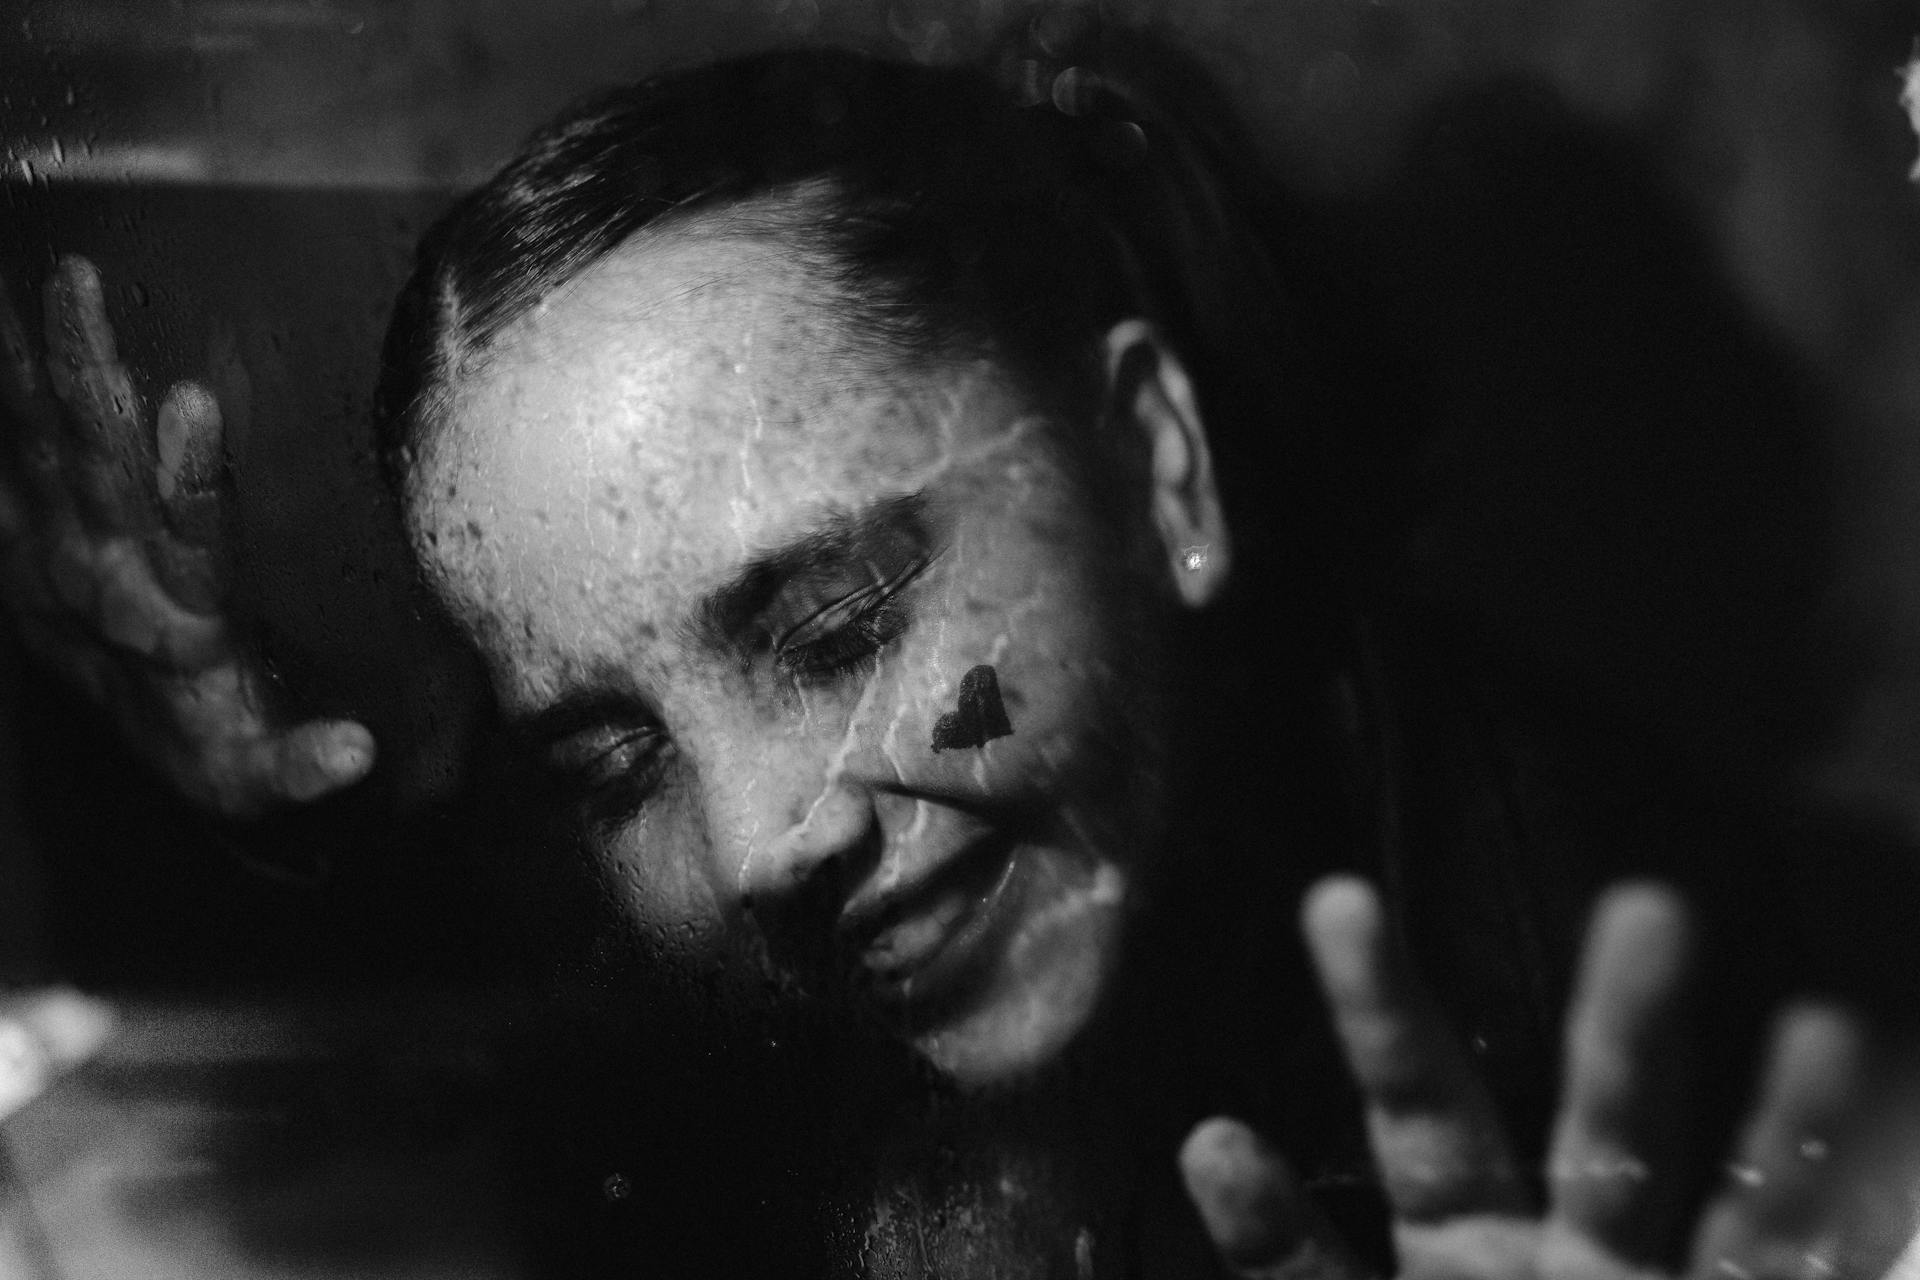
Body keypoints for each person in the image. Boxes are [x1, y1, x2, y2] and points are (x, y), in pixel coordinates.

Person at [0, 13, 1916, 1279]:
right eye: (614, 760)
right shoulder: (711, 1039)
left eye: (833, 623)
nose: (760, 844)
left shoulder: (1660, 990)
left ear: (1157, 464)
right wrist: (231, 799)